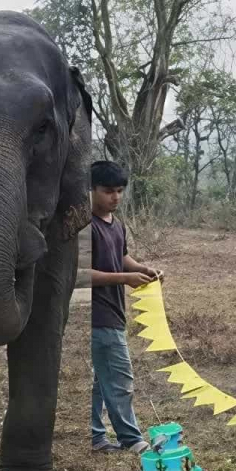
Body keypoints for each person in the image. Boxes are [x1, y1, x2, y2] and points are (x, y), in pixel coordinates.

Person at [89, 160, 163, 454]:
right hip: (97, 316)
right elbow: (81, 274)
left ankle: (95, 437)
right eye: (108, 191)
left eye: (120, 191)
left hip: (114, 314)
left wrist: (144, 270)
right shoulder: (86, 227)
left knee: (99, 381)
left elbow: (122, 257)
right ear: (90, 189)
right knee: (119, 377)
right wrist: (125, 278)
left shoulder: (116, 224)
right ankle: (132, 440)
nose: (115, 197)